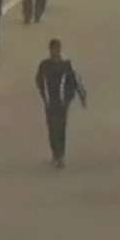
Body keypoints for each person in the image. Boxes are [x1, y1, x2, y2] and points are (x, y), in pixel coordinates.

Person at [35, 38, 87, 168]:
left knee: (61, 128)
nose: (55, 52)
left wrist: (81, 97)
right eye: (53, 49)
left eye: (57, 49)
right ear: (50, 50)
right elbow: (38, 80)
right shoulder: (44, 65)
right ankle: (55, 153)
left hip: (63, 102)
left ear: (60, 50)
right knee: (52, 128)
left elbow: (76, 81)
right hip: (50, 102)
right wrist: (44, 95)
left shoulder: (67, 65)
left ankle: (61, 155)